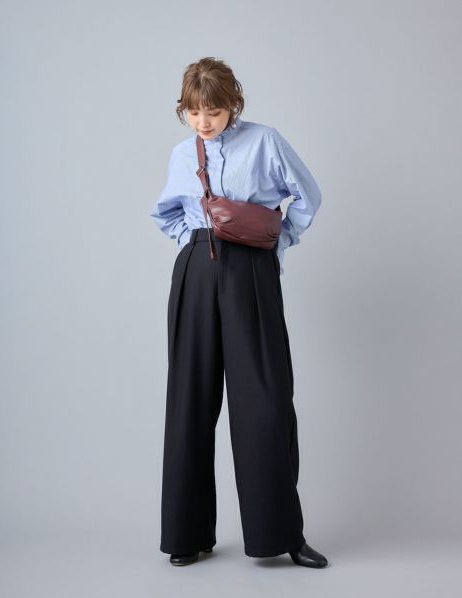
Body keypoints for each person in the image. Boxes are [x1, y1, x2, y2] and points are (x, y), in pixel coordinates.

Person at [150, 57, 328, 568]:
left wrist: (275, 244)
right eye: (194, 112)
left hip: (251, 271)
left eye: (214, 111)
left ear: (234, 105)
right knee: (189, 400)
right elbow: (166, 212)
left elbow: (308, 197)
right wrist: (194, 244)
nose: (203, 122)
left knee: (265, 401)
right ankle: (186, 535)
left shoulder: (266, 141)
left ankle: (282, 535)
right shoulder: (182, 154)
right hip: (196, 273)